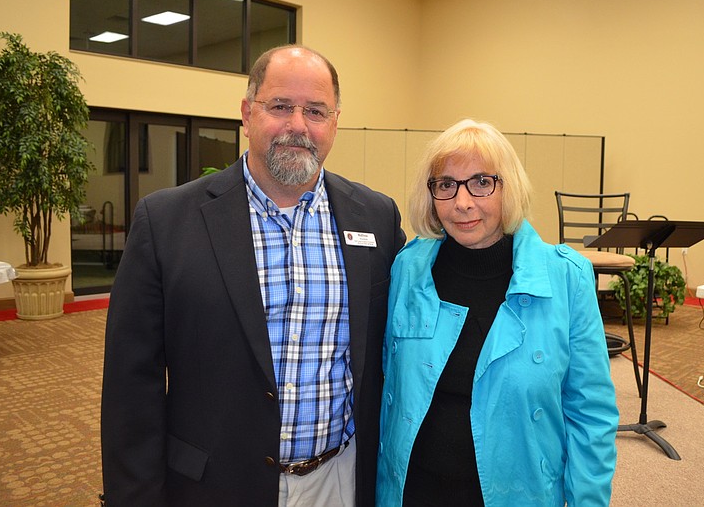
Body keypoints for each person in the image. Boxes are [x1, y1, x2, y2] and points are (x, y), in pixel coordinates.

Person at [101, 45, 405, 506]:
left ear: (335, 122)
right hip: (214, 486)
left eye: (316, 111)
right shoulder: (165, 221)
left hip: (341, 480)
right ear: (247, 114)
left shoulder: (376, 218)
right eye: (280, 106)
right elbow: (131, 386)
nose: (298, 126)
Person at [376, 119, 618, 506]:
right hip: (413, 489)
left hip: (517, 493)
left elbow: (591, 413)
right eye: (446, 184)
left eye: (481, 182)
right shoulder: (408, 268)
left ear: (509, 187)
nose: (462, 202)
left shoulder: (565, 278)